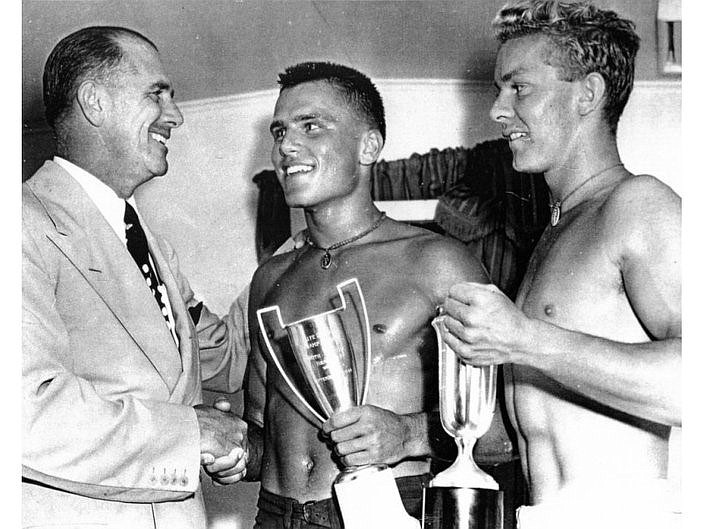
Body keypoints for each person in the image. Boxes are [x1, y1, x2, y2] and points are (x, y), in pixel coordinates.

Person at [437, 2, 681, 528]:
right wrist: (408, 432)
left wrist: (524, 338)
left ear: (587, 94)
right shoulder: (554, 232)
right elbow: (538, 416)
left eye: (518, 88)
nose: (498, 111)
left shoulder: (637, 203)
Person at [239, 61, 489, 529]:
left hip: (389, 508)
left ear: (368, 145)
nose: (286, 146)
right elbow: (260, 435)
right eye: (279, 132)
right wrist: (227, 446)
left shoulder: (438, 262)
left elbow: (506, 430)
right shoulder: (268, 278)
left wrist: (408, 434)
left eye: (311, 126)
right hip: (274, 515)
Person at [23, 26, 249, 529]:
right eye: (157, 94)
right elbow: (22, 413)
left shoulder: (148, 243)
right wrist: (194, 435)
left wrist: (295, 257)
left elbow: (225, 362)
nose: (176, 115)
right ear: (94, 102)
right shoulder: (20, 224)